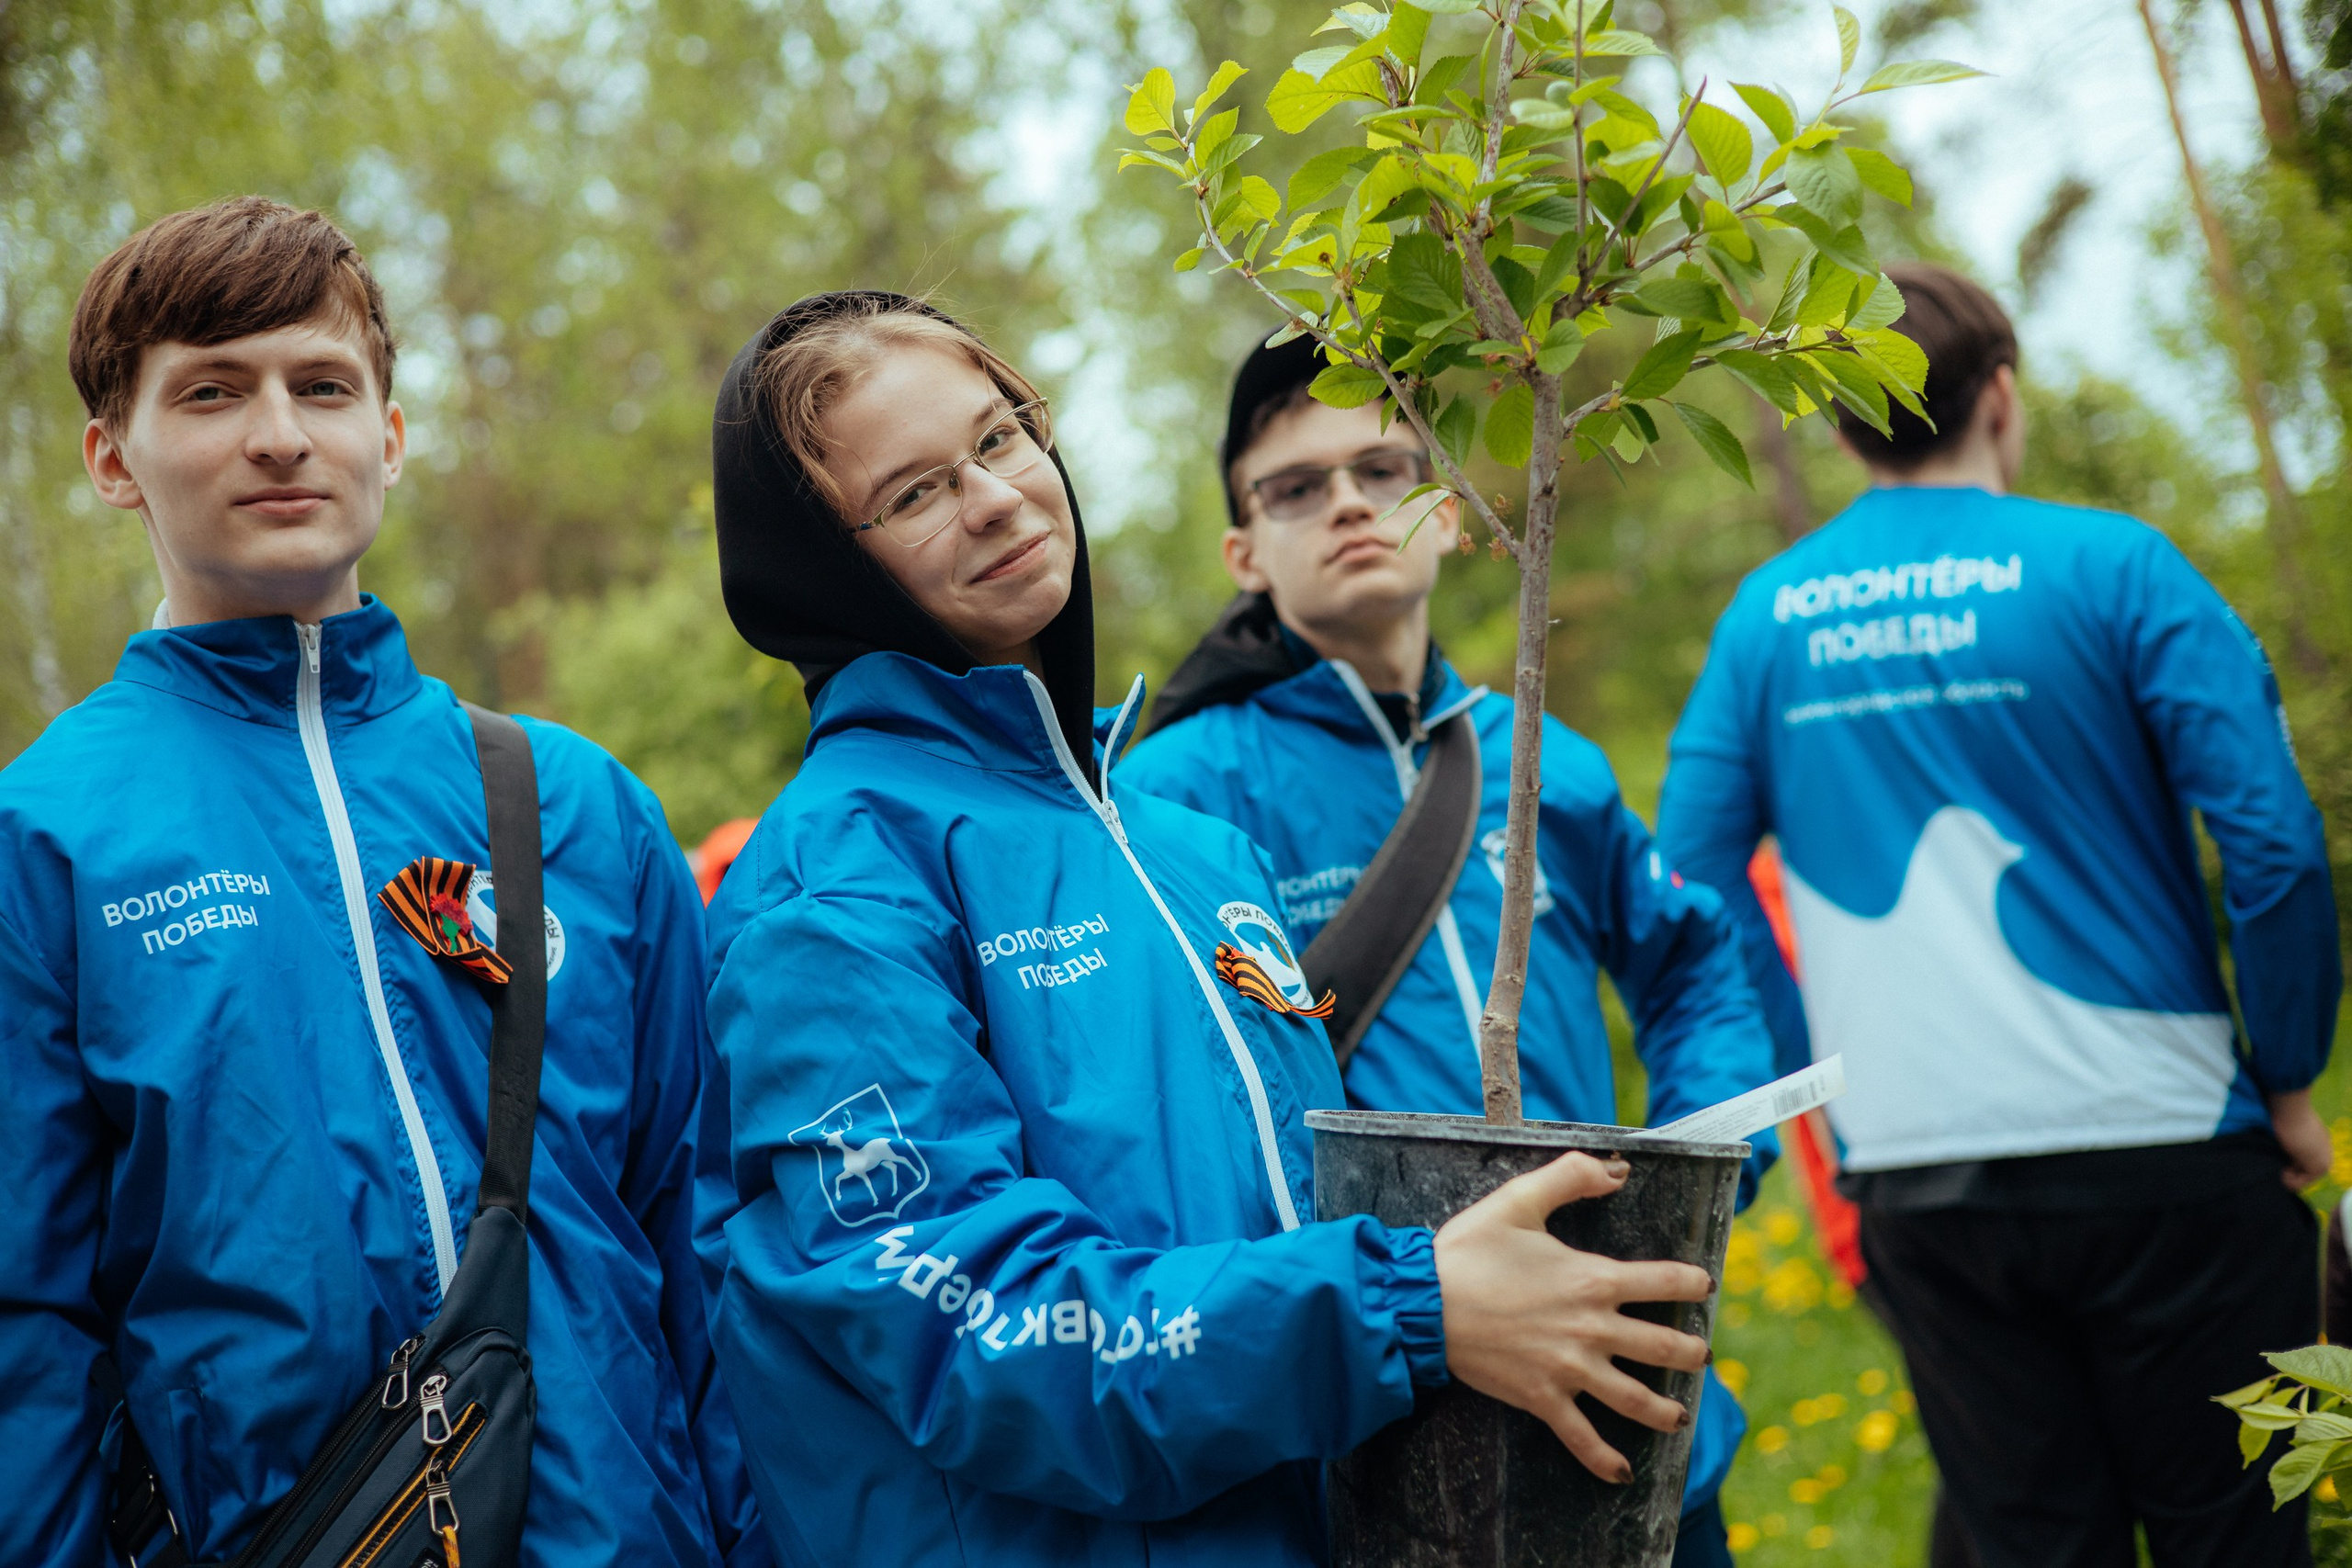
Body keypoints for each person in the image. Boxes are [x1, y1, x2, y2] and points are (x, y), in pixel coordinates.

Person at [702, 289, 1717, 1565]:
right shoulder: (833, 887)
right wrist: (1409, 1306)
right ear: (820, 568)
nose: (998, 499)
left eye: (1001, 437)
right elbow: (975, 1328)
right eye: (914, 494)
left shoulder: (1187, 848)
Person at [0, 197, 769, 1566]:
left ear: (391, 436)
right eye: (212, 391)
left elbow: (704, 1236)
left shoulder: (577, 804)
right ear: (114, 459)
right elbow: (24, 1327)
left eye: (323, 385)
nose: (279, 433)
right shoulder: (47, 836)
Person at [1657, 261, 2338, 1568]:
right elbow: (2272, 841)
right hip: (2171, 1151)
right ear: (2004, 396)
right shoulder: (2117, 566)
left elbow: (1688, 878)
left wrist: (1818, 1077)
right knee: (2236, 1544)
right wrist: (2290, 1073)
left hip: (1921, 1182)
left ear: (1844, 430)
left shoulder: (1766, 621)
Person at [1114, 333, 1779, 1566]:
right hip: (1391, 1427)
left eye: (1382, 470)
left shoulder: (1547, 764)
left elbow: (1692, 965)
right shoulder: (1172, 799)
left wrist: (1698, 1175)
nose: (1348, 503)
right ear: (1244, 551)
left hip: (1634, 1399)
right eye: (1296, 487)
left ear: (1452, 511)